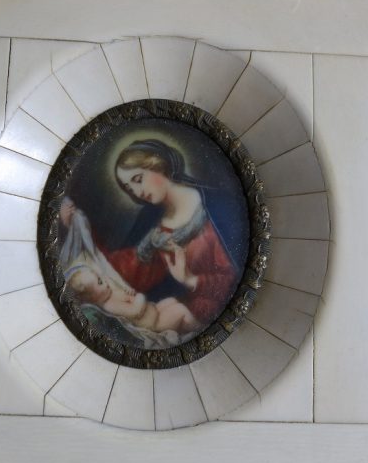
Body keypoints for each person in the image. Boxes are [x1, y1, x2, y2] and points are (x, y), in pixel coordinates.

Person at [60, 139, 239, 324]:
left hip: (215, 313)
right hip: (177, 311)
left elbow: (235, 279)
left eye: (138, 180)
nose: (137, 192)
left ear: (158, 164)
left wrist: (190, 280)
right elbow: (125, 270)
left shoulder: (218, 206)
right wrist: (78, 228)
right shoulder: (151, 222)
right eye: (129, 188)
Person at [65, 264, 201, 335]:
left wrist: (128, 293)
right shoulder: (110, 305)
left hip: (155, 311)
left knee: (172, 301)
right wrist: (140, 297)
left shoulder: (109, 294)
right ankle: (198, 330)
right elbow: (135, 312)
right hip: (156, 324)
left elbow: (126, 297)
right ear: (93, 298)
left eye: (100, 278)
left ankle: (184, 328)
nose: (105, 281)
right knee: (180, 310)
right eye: (100, 282)